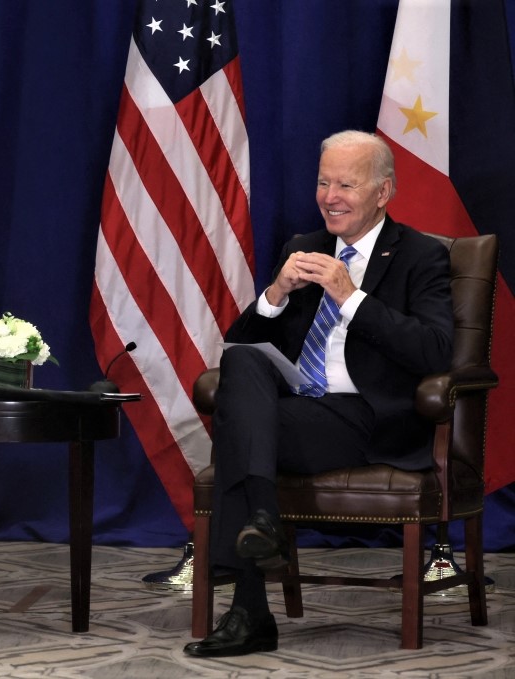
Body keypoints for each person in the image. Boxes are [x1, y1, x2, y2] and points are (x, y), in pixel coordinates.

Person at [183, 130, 454, 658]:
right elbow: (243, 348)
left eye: (346, 185)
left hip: (366, 417)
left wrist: (352, 298)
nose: (330, 196)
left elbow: (436, 350)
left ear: (384, 192)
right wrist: (276, 293)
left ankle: (250, 611)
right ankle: (263, 524)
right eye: (323, 182)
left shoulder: (421, 257)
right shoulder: (301, 248)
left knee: (240, 434)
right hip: (298, 409)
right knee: (242, 361)